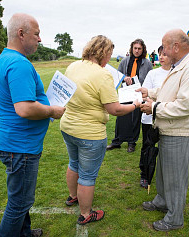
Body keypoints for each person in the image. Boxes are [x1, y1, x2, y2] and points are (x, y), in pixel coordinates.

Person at [0, 13, 65, 237]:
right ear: (21, 34)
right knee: (19, 203)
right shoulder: (18, 63)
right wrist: (53, 110)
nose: (40, 39)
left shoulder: (6, 59)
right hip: (19, 147)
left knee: (21, 199)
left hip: (16, 143)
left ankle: (25, 233)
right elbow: (24, 108)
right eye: (37, 33)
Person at [60, 35, 142, 225]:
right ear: (103, 52)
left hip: (68, 126)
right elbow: (115, 109)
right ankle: (86, 213)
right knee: (87, 175)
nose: (109, 59)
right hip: (90, 133)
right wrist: (135, 105)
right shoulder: (103, 74)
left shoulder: (73, 66)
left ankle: (73, 196)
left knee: (74, 164)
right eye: (110, 54)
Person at [137, 29, 189, 231]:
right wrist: (149, 92)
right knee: (163, 172)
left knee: (176, 177)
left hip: (181, 133)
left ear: (176, 47)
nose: (163, 51)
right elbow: (169, 91)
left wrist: (154, 107)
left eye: (165, 46)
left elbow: (185, 106)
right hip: (170, 130)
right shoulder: (180, 66)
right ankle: (162, 200)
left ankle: (175, 218)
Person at [106, 39, 153, 153]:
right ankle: (117, 141)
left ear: (143, 50)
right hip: (125, 92)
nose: (137, 51)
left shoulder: (147, 63)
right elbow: (118, 75)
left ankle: (132, 142)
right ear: (132, 48)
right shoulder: (125, 61)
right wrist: (124, 78)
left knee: (135, 118)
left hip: (138, 93)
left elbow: (149, 79)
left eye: (139, 49)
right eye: (135, 48)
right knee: (121, 117)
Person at [139, 45, 171, 189]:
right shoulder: (153, 74)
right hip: (149, 118)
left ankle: (164, 176)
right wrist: (151, 106)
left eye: (165, 54)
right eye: (160, 54)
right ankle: (145, 175)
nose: (162, 57)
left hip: (166, 117)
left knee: (166, 149)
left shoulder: (176, 74)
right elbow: (145, 94)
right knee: (148, 146)